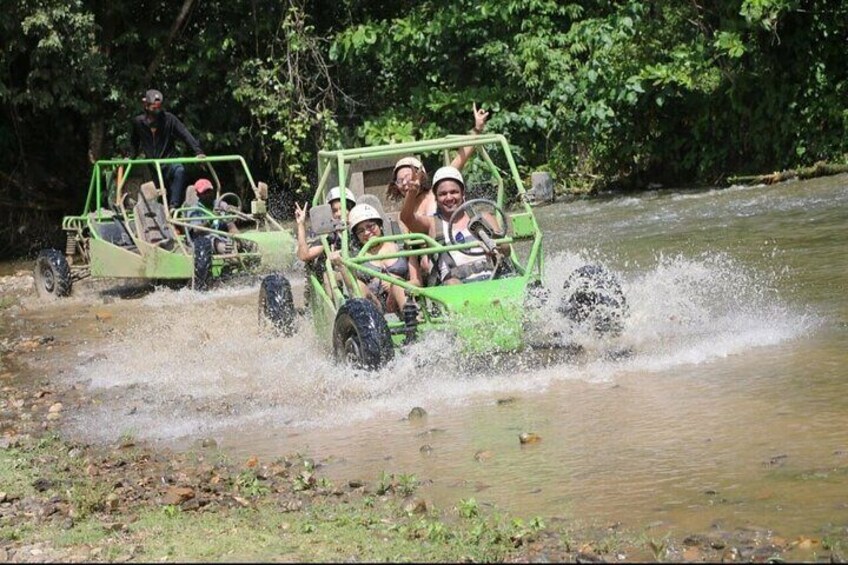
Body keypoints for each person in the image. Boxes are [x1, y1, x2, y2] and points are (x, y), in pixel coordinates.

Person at [400, 166, 509, 285]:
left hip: (491, 279)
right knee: (453, 283)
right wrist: (412, 192)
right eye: (442, 194)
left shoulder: (484, 218)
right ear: (436, 198)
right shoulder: (432, 224)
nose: (449, 198)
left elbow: (506, 250)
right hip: (453, 288)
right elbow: (407, 218)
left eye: (454, 192)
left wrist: (497, 247)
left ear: (463, 193)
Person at [386, 103, 490, 220]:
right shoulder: (405, 210)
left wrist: (477, 129)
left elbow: (460, 158)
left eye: (409, 177)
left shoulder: (438, 194)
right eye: (400, 181)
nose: (405, 183)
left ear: (421, 176)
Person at [334, 203, 421, 313]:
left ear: (379, 225)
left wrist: (396, 284)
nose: (366, 233)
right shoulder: (357, 258)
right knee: (359, 286)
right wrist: (341, 266)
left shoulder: (401, 248)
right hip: (375, 306)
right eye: (360, 231)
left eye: (370, 226)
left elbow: (417, 282)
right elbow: (353, 289)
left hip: (403, 299)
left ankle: (412, 318)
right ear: (357, 236)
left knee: (397, 284)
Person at [129, 89, 206, 209]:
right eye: (154, 108)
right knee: (155, 195)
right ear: (146, 106)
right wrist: (129, 158)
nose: (157, 111)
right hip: (153, 167)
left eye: (159, 108)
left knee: (179, 170)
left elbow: (185, 134)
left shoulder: (169, 119)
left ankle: (173, 207)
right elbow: (134, 143)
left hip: (169, 162)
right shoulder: (138, 123)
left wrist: (198, 152)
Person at [186, 178, 237, 253]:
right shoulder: (194, 209)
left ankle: (241, 246)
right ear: (198, 195)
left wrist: (230, 210)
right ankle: (228, 253)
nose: (208, 194)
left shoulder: (219, 203)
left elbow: (230, 223)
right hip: (203, 240)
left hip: (222, 237)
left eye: (209, 191)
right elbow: (196, 230)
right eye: (205, 192)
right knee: (216, 241)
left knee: (238, 237)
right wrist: (211, 219)